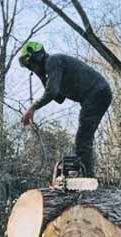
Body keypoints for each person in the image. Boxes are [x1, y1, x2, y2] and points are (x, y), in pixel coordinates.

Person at [19, 41, 113, 176]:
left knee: (82, 139)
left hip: (97, 93)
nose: (32, 69)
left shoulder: (53, 61)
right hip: (97, 94)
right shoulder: (52, 70)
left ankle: (88, 178)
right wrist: (42, 78)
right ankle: (87, 175)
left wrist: (32, 108)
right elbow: (59, 99)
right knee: (84, 137)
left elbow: (52, 92)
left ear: (37, 57)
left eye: (31, 65)